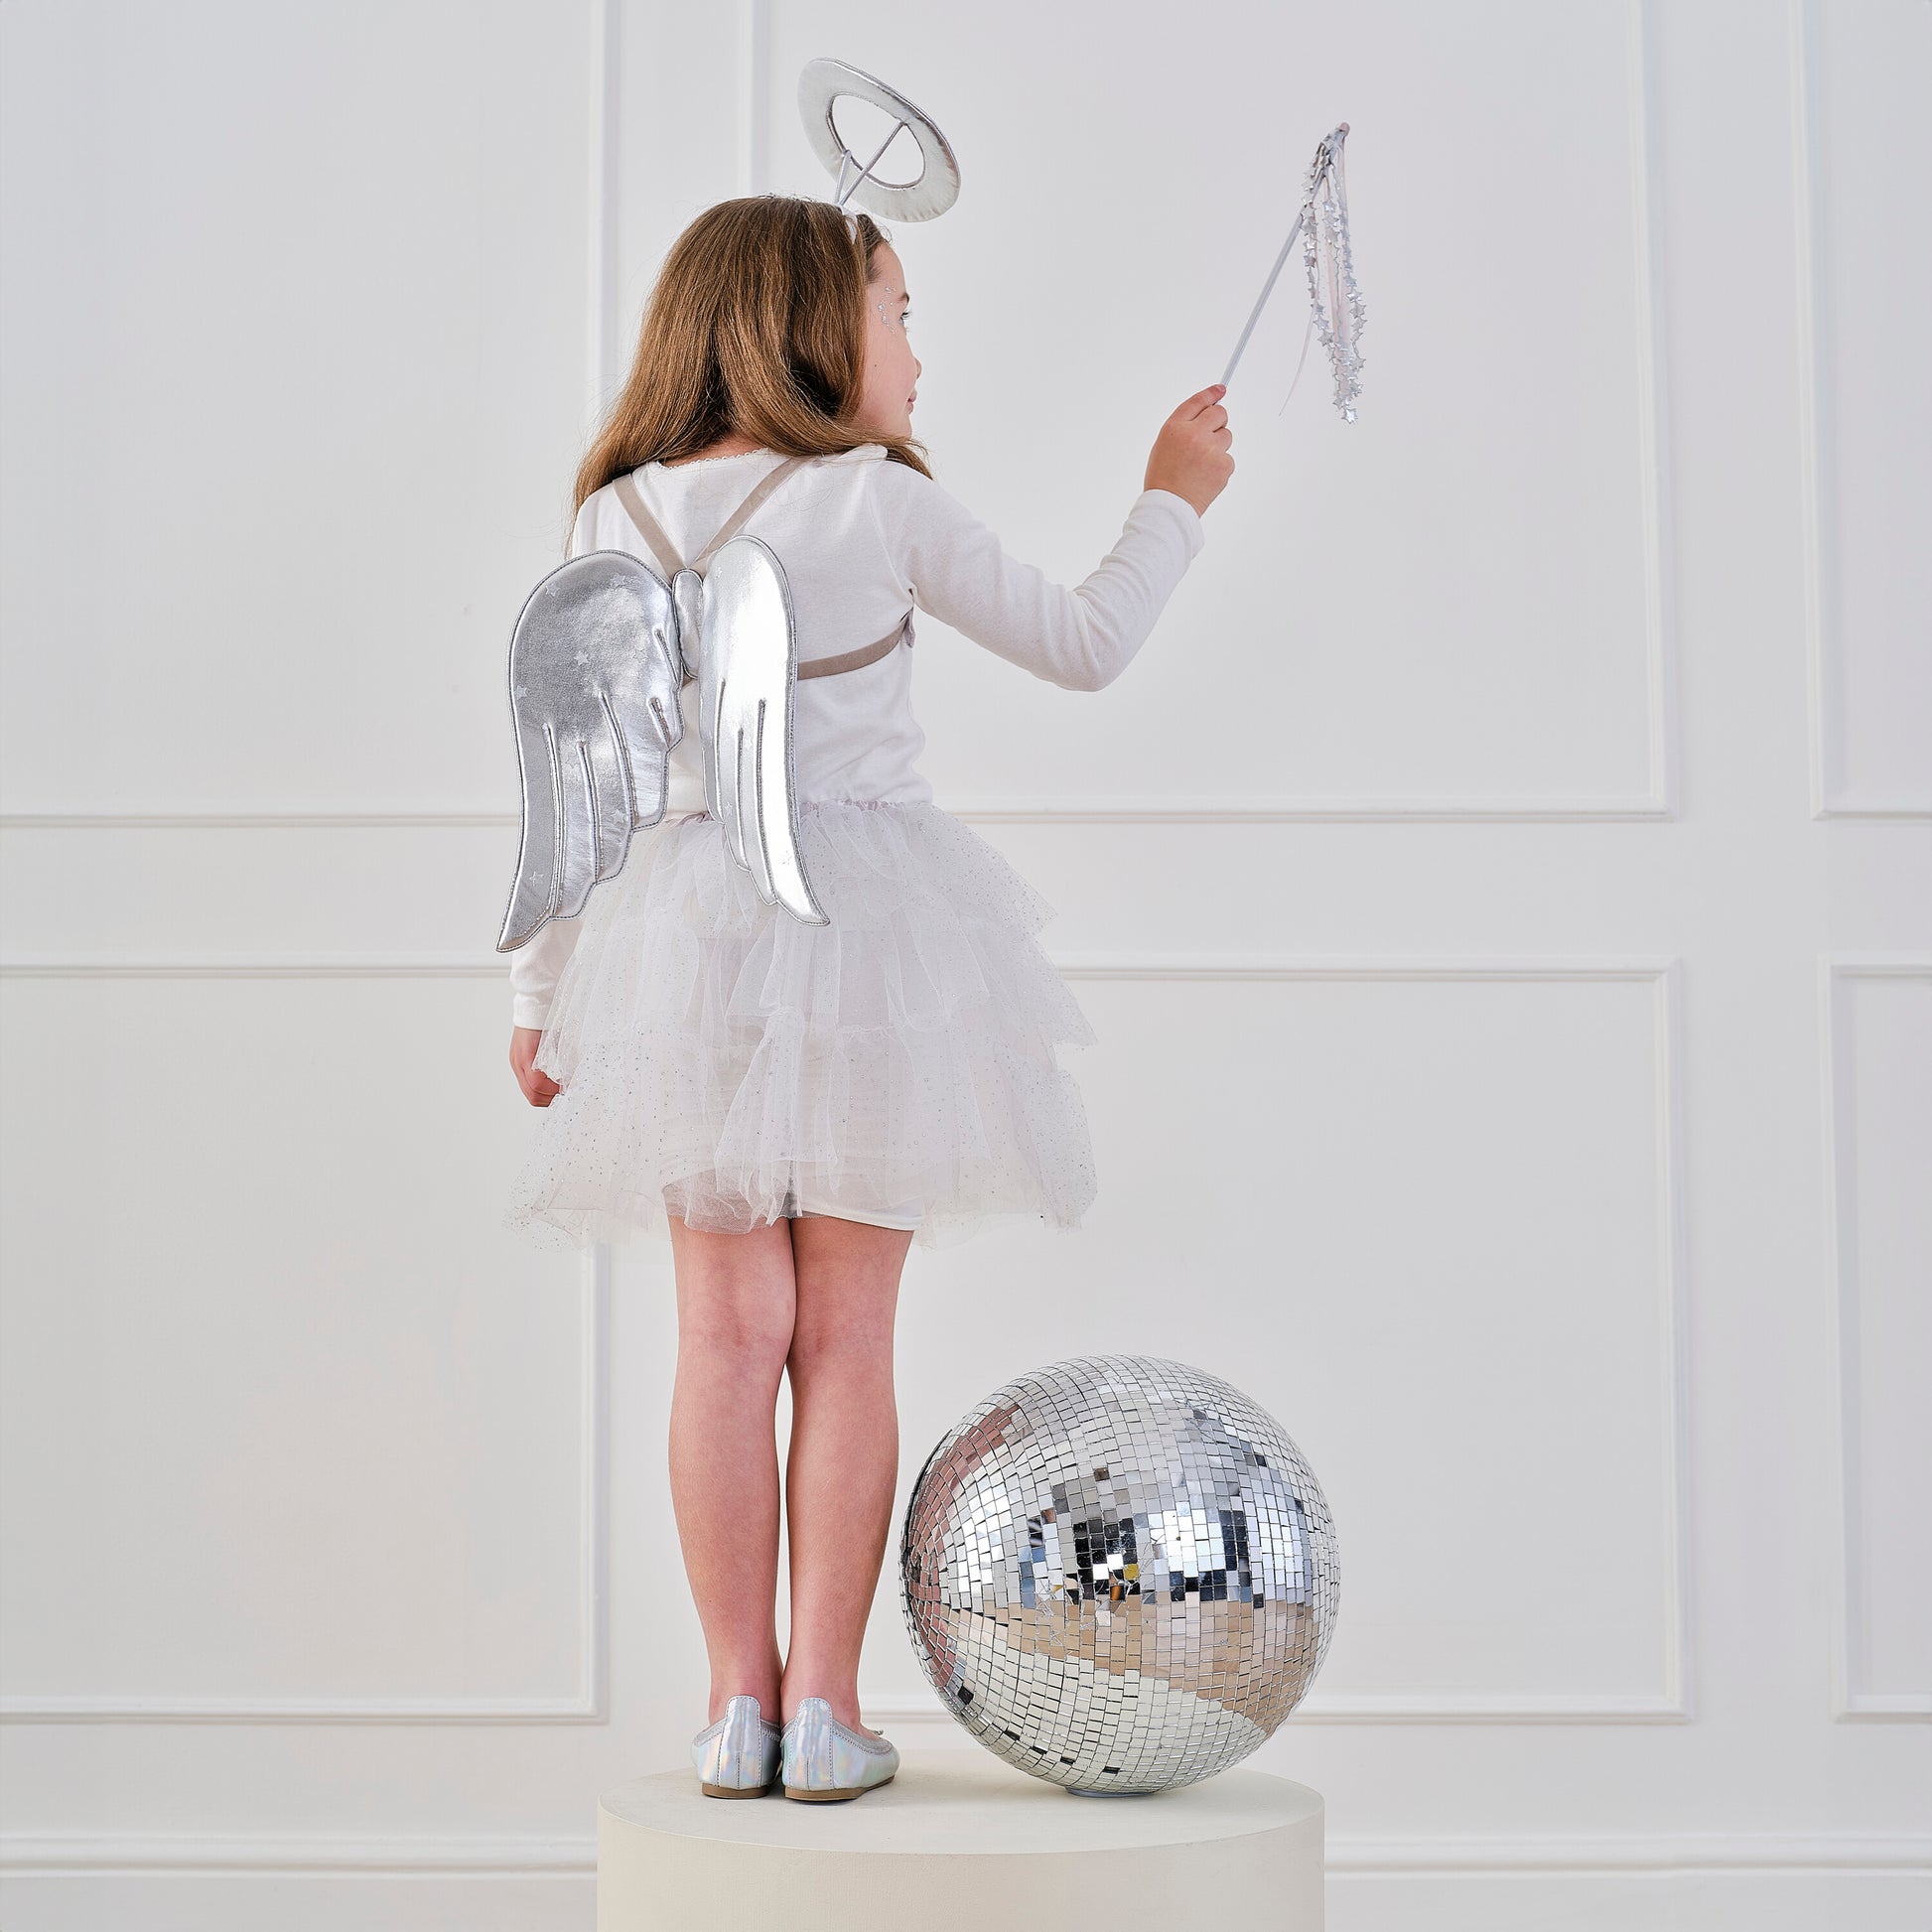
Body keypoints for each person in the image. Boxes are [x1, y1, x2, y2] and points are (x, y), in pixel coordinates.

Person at [503, 194, 1232, 1800]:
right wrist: (1169, 501)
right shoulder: (873, 500)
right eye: (900, 311)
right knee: (845, 1333)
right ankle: (826, 1711)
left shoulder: (615, 519)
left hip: (685, 939)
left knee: (720, 1335)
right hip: (867, 932)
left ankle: (732, 1707)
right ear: (815, 329)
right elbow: (1083, 642)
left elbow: (582, 788)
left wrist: (544, 994)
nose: (915, 349)